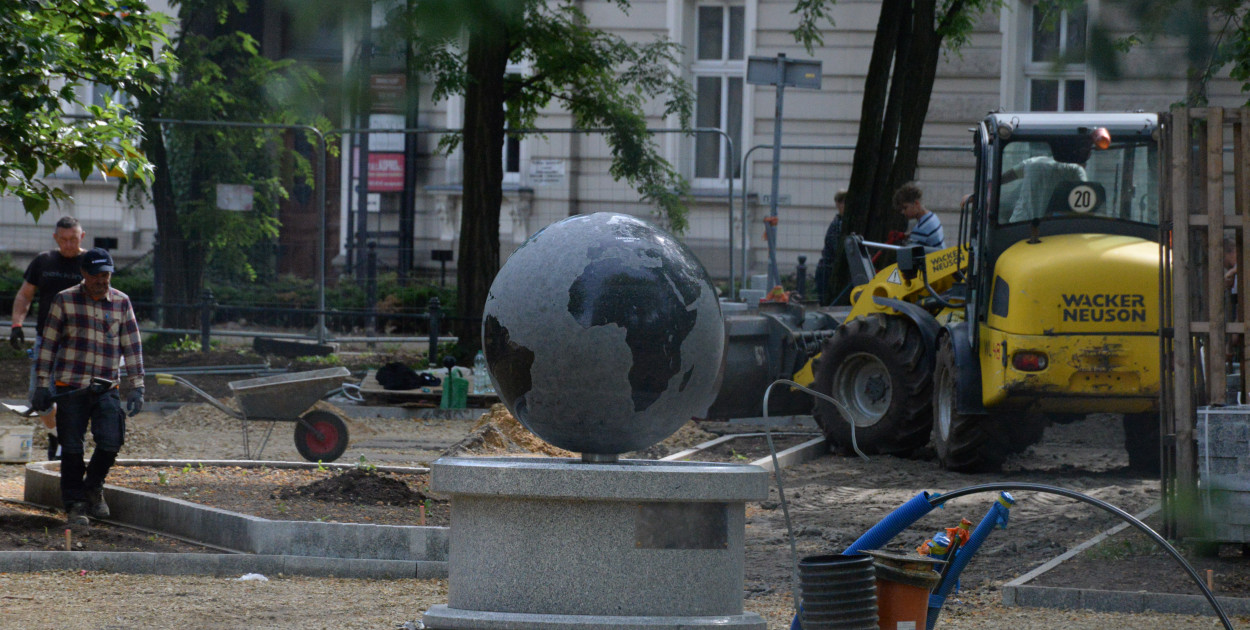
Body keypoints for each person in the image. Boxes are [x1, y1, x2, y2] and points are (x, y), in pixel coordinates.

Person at [31, 248, 144, 526]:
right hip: (70, 386)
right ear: (84, 274)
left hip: (106, 387)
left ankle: (93, 486)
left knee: (110, 440)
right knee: (71, 447)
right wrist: (42, 385)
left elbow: (132, 345)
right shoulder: (65, 300)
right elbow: (48, 344)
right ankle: (75, 504)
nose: (102, 280)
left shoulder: (121, 302)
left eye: (106, 275)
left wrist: (137, 386)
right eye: (96, 275)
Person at [10, 216, 89, 461]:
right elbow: (25, 295)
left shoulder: (90, 263)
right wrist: (16, 323)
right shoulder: (43, 261)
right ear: (56, 238)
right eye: (63, 239)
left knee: (75, 398)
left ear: (82, 237)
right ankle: (57, 436)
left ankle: (69, 446)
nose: (68, 244)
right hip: (47, 340)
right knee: (39, 397)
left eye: (73, 239)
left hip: (81, 343)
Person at [814, 190, 847, 304]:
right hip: (827, 272)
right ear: (838, 205)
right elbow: (837, 249)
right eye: (843, 202)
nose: (845, 206)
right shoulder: (837, 225)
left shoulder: (841, 223)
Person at [894, 182, 944, 249]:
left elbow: (911, 255)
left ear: (916, 203)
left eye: (905, 208)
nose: (903, 212)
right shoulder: (933, 217)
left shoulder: (920, 229)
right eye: (901, 209)